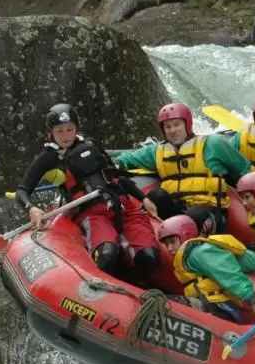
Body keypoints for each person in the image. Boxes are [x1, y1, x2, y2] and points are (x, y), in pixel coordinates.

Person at [16, 103, 160, 283]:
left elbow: (115, 177)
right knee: (107, 255)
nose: (65, 135)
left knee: (149, 256)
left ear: (76, 127)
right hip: (91, 214)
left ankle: (139, 290)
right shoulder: (48, 159)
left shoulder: (92, 145)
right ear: (51, 132)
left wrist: (143, 198)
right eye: (59, 131)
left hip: (123, 206)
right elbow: (22, 191)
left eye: (70, 129)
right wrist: (32, 208)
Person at [115, 101, 251, 235]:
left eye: (177, 125)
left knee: (196, 214)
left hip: (209, 213)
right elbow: (125, 159)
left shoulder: (213, 144)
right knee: (156, 196)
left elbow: (244, 170)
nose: (173, 130)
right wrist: (116, 164)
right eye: (167, 127)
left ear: (187, 125)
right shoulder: (156, 152)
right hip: (176, 211)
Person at [158, 214, 255, 327]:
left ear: (186, 235)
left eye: (172, 242)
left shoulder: (199, 252)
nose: (169, 248)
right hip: (212, 304)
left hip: (220, 308)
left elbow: (229, 275)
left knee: (161, 303)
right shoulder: (192, 254)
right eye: (166, 244)